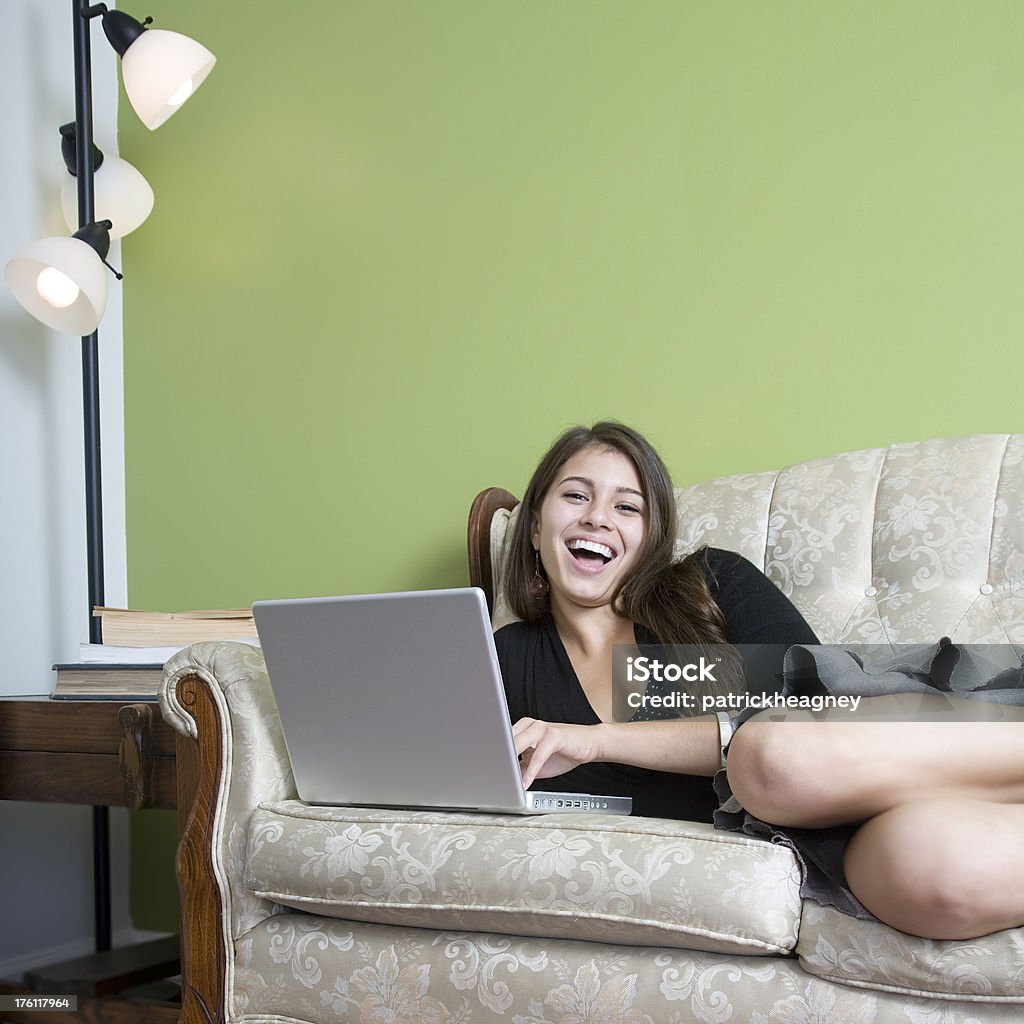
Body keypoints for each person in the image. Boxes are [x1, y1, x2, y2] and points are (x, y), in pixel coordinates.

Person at [496, 421, 1024, 941]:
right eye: (575, 496)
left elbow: (819, 705)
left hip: (913, 746)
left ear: (650, 539)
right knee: (931, 869)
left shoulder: (709, 586)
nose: (597, 519)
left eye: (626, 506)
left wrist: (592, 741)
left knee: (774, 755)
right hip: (821, 839)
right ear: (536, 527)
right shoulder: (506, 657)